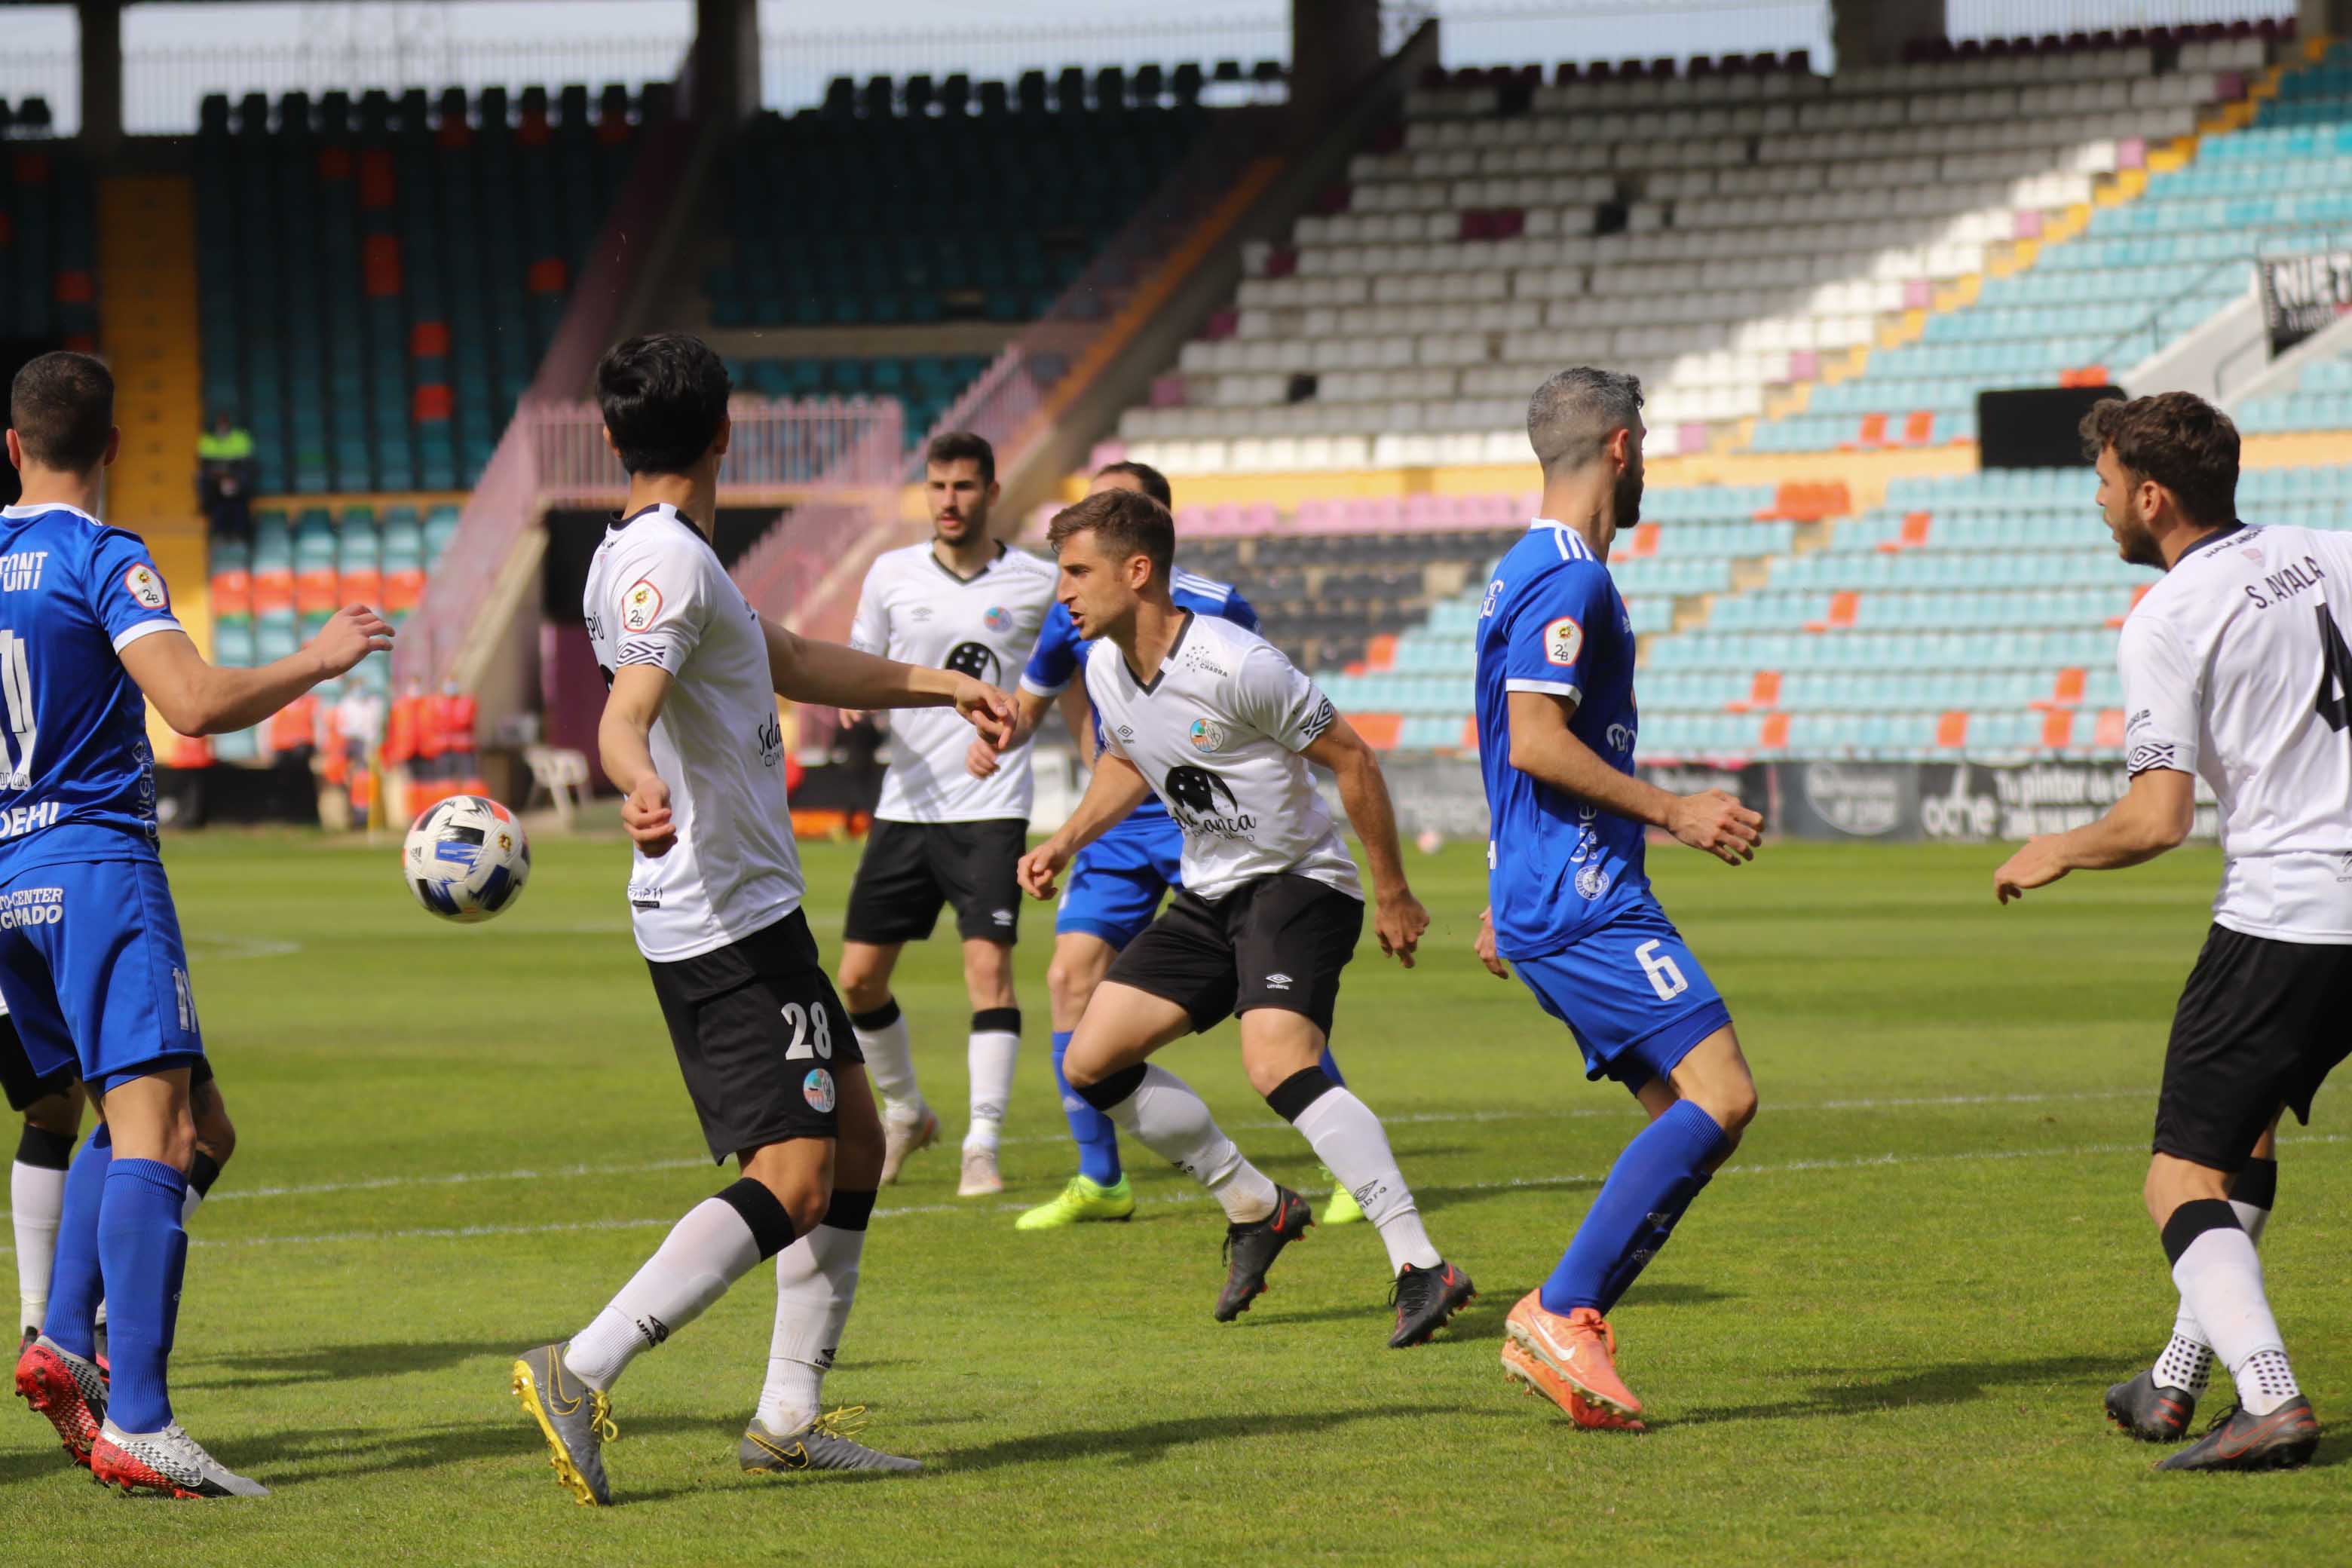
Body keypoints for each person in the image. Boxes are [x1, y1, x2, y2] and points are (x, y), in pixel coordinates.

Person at [509, 333, 1016, 1505]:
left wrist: (943, 682)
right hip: (720, 915)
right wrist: (634, 781)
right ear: (727, 432)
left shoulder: (665, 557)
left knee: (855, 1149)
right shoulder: (668, 570)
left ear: (610, 441)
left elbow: (783, 657)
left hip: (750, 906)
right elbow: (624, 713)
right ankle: (580, 1367)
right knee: (792, 1176)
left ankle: (787, 1418)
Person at [3, 350, 389, 1498]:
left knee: (188, 1117)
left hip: (8, 879)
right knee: (159, 1134)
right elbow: (192, 703)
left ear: (11, 448)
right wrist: (318, 658)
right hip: (95, 864)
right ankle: (144, 1416)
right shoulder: (101, 555)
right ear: (116, 448)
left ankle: (64, 1339)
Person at [1017, 488, 1474, 1346]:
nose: (1064, 592)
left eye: (1077, 571)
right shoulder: (1107, 667)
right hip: (1210, 893)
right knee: (1092, 1061)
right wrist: (1068, 839)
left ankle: (1421, 1263)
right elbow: (1129, 760)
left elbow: (1353, 758)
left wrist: (1395, 890)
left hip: (1299, 881)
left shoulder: (1238, 662)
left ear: (1138, 570)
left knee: (1276, 1064)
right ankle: (1255, 1205)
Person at [1995, 391, 2341, 1472]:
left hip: (2290, 913)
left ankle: (2271, 1397)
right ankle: (2176, 1378)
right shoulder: (2332, 548)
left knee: (2178, 1177)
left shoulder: (2168, 616)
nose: (2099, 506)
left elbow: (2157, 820)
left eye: (2104, 486)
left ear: (2152, 497)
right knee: (2241, 1143)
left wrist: (2057, 846)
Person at [1469, 368, 1762, 1432]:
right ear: (1625, 449)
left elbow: (1504, 743)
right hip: (1587, 899)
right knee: (1721, 1095)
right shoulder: (1571, 579)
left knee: (1689, 1117)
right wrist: (1676, 810)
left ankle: (1570, 1323)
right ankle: (1563, 1309)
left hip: (1555, 891)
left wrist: (1504, 882)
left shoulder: (1522, 571)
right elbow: (1538, 744)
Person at [975, 461, 1360, 1233]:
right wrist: (996, 731)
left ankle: (1343, 1162)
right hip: (1121, 820)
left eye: (1120, 507)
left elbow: (1257, 712)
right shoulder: (1071, 611)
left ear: (1149, 534)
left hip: (1213, 822)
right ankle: (1101, 1177)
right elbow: (1033, 698)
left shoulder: (1218, 611)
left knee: (1272, 1011)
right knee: (1070, 976)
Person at [835, 431, 1058, 1197]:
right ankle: (907, 1114)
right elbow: (863, 662)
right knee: (858, 980)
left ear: (993, 492)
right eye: (937, 487)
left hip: (992, 806)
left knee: (987, 970)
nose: (949, 501)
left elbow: (1055, 677)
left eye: (964, 487)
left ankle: (981, 1147)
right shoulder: (891, 574)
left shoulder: (1036, 581)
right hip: (908, 802)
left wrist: (1014, 727)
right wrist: (849, 705)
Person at [194, 412, 253, 543]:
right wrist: (221, 479)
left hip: (237, 480)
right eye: (220, 425)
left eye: (225, 425)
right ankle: (218, 531)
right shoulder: (207, 440)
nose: (222, 428)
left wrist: (232, 479)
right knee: (205, 484)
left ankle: (240, 533)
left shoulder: (240, 438)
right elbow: (205, 464)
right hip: (216, 481)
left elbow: (245, 463)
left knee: (239, 502)